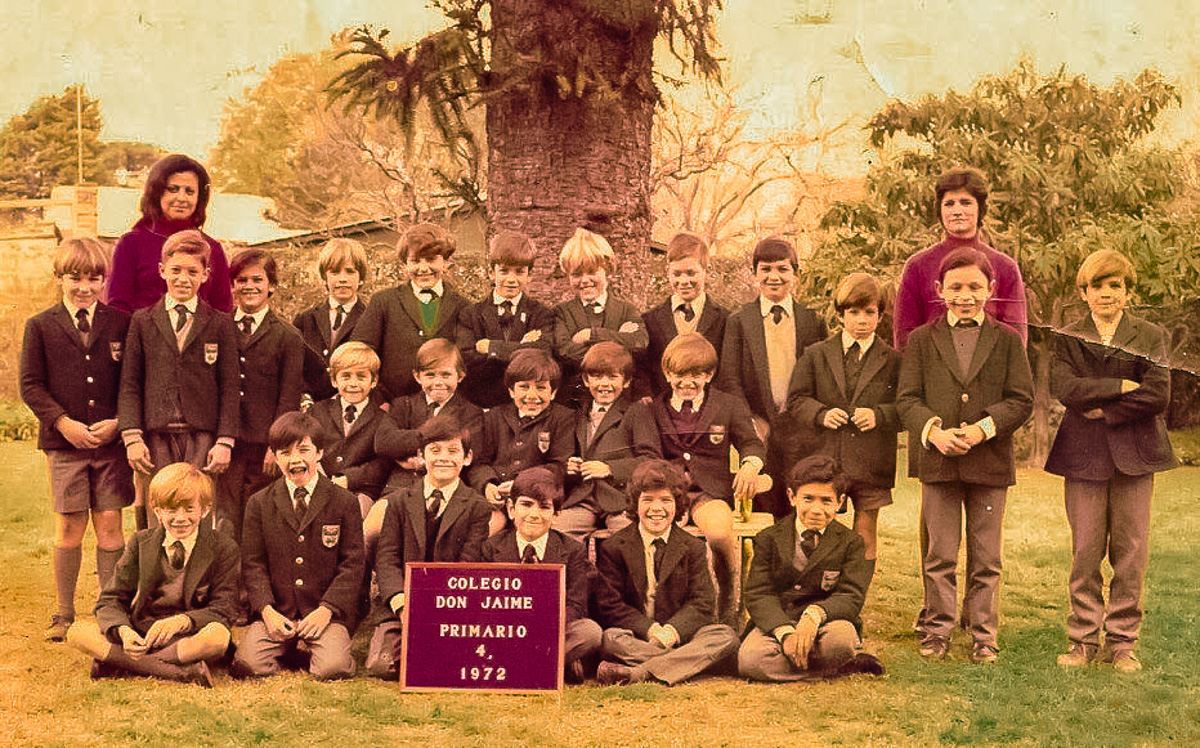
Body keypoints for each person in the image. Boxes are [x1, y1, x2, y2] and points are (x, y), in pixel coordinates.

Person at [896, 247, 1033, 664]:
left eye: (975, 287)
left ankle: (983, 634)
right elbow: (907, 399)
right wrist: (933, 431)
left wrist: (983, 428)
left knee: (987, 556)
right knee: (940, 553)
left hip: (988, 462)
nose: (965, 295)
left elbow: (1021, 399)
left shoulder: (1008, 340)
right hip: (939, 461)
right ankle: (937, 631)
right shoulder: (920, 340)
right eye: (955, 287)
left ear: (991, 289)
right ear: (939, 290)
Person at [1045, 249, 1175, 673]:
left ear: (1128, 291)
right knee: (1085, 550)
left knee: (1131, 551)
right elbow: (1063, 386)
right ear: (1083, 292)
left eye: (1114, 285)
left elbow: (1158, 393)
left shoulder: (1150, 336)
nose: (1106, 293)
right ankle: (1082, 640)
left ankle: (1122, 643)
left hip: (1136, 455)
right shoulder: (1067, 336)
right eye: (1096, 286)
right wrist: (1118, 383)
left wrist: (1108, 409)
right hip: (1082, 455)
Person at [20, 238, 132, 641]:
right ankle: (64, 613)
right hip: (64, 446)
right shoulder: (41, 325)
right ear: (59, 279)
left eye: (93, 278)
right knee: (69, 527)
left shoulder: (121, 322)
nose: (84, 287)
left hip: (109, 446)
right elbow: (31, 386)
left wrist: (118, 422)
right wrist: (62, 423)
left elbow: (131, 382)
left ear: (104, 280)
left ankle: (109, 608)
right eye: (74, 278)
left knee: (110, 524)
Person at [627, 332, 765, 622]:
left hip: (709, 493)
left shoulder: (728, 405)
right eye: (679, 374)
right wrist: (667, 500)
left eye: (696, 375)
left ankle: (728, 603)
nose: (687, 383)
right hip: (665, 494)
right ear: (666, 372)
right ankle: (662, 613)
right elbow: (649, 456)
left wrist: (751, 465)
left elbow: (751, 443)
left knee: (718, 532)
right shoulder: (652, 407)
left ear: (710, 374)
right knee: (654, 538)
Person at [66, 462, 239, 687]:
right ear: (157, 511)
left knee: (218, 637)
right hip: (142, 632)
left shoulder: (223, 547)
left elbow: (224, 608)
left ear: (205, 510)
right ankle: (178, 672)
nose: (180, 518)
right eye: (171, 509)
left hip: (187, 638)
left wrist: (183, 622)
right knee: (77, 632)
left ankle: (117, 663)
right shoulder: (141, 543)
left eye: (189, 509)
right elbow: (110, 599)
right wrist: (124, 631)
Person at [117, 229, 239, 529]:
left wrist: (224, 441)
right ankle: (156, 575)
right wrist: (132, 436)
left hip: (202, 437)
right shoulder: (142, 321)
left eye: (192, 272)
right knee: (159, 511)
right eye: (176, 270)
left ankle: (197, 576)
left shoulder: (220, 323)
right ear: (161, 271)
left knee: (196, 509)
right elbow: (130, 384)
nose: (183, 279)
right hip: (155, 436)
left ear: (206, 275)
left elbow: (230, 386)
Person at [235, 411, 366, 680]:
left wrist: (327, 610)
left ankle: (321, 647)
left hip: (323, 613)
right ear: (275, 456)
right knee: (250, 667)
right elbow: (253, 564)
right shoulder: (259, 503)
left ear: (319, 452)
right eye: (285, 452)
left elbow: (352, 565)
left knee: (333, 669)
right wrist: (267, 612)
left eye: (304, 450)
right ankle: (292, 650)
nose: (295, 460)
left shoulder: (344, 502)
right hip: (278, 612)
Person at [786, 272, 901, 565]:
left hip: (871, 461)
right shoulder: (816, 355)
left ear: (880, 315)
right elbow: (796, 400)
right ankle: (819, 592)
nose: (861, 320)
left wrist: (879, 415)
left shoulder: (894, 360)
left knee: (865, 532)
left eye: (869, 312)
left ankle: (855, 597)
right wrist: (821, 414)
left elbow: (907, 406)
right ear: (840, 314)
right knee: (819, 527)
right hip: (824, 458)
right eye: (853, 312)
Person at [365, 414, 491, 679]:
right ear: (421, 456)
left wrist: (434, 606)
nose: (443, 458)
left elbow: (468, 563)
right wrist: (401, 603)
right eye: (435, 450)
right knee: (382, 666)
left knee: (448, 664)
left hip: (450, 606)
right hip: (402, 606)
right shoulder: (398, 501)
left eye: (453, 451)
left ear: (467, 458)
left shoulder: (477, 506)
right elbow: (387, 558)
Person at [593, 459, 739, 685]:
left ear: (678, 505)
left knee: (724, 636)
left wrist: (672, 630)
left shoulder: (693, 547)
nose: (656, 508)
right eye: (648, 500)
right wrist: (649, 629)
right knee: (610, 638)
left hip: (680, 637)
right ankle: (687, 665)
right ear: (635, 504)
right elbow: (610, 605)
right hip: (638, 637)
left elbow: (702, 603)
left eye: (665, 500)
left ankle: (640, 673)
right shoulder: (614, 547)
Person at [738, 455, 883, 681]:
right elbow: (759, 593)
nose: (816, 509)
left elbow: (851, 595)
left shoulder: (851, 542)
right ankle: (833, 668)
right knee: (751, 660)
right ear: (792, 497)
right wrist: (785, 634)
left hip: (827, 622)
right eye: (808, 499)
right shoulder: (768, 538)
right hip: (780, 618)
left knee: (840, 644)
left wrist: (815, 615)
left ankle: (818, 660)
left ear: (840, 502)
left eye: (826, 501)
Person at [717, 236, 826, 517]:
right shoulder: (739, 321)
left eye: (782, 269)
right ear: (754, 275)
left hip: (801, 430)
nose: (773, 276)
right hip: (760, 428)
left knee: (799, 501)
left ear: (796, 275)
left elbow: (823, 379)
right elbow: (730, 379)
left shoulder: (811, 321)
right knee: (763, 507)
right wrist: (749, 422)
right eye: (765, 269)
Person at [480, 466, 603, 682]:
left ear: (556, 515)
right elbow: (484, 602)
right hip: (505, 630)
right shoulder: (492, 548)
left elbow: (576, 605)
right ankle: (547, 665)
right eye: (526, 505)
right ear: (511, 509)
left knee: (590, 632)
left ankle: (517, 665)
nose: (534, 515)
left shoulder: (572, 550)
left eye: (544, 507)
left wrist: (540, 625)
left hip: (551, 630)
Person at [218, 247, 304, 541]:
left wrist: (276, 446)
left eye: (258, 280)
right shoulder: (218, 328)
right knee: (226, 518)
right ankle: (228, 581)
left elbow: (289, 396)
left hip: (263, 447)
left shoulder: (288, 336)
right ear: (232, 286)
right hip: (227, 442)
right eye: (241, 280)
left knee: (260, 519)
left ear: (272, 286)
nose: (250, 287)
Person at [892, 166, 1027, 351]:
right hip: (933, 373)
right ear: (939, 210)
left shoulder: (1005, 267)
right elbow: (904, 336)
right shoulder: (917, 267)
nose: (957, 211)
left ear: (981, 209)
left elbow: (1016, 338)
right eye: (949, 204)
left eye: (965, 202)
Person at [353, 223, 470, 400]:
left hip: (445, 406)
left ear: (445, 262)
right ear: (404, 264)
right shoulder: (384, 302)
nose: (423, 269)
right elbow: (361, 353)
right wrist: (378, 401)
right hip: (392, 404)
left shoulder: (463, 307)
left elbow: (468, 360)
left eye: (431, 260)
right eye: (415, 261)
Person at [466, 349, 575, 535]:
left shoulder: (563, 418)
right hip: (496, 499)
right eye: (524, 387)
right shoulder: (494, 417)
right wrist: (487, 485)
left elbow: (559, 466)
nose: (532, 395)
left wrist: (521, 484)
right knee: (485, 528)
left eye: (541, 388)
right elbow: (478, 463)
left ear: (554, 392)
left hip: (538, 499)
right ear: (511, 391)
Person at [107, 153, 232, 314]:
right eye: (173, 189)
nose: (181, 198)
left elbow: (223, 312)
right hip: (141, 337)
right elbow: (118, 308)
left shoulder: (212, 249)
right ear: (157, 193)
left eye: (189, 191)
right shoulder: (131, 244)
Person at [457, 230, 554, 408]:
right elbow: (467, 361)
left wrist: (492, 348)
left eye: (519, 272)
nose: (511, 279)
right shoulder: (470, 314)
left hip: (527, 405)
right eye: (504, 271)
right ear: (491, 273)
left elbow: (543, 353)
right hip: (484, 404)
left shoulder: (541, 314)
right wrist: (523, 348)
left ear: (529, 275)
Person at [552, 227, 648, 407]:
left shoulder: (627, 311)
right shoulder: (562, 313)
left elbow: (639, 342)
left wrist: (592, 335)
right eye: (577, 275)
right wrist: (618, 344)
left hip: (621, 404)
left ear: (608, 271)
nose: (585, 280)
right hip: (574, 403)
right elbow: (564, 351)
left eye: (592, 272)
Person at [374, 338, 483, 496]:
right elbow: (383, 443)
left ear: (460, 376)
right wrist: (431, 437)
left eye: (446, 375)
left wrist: (422, 461)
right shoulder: (403, 405)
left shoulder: (471, 413)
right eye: (430, 375)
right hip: (402, 485)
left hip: (447, 488)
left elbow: (469, 454)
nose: (438, 382)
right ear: (417, 376)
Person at [558, 341, 637, 542]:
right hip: (583, 498)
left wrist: (610, 469)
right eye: (596, 377)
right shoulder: (577, 414)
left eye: (613, 377)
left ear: (626, 381)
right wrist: (570, 466)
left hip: (620, 499)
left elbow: (650, 459)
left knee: (630, 539)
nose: (604, 384)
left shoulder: (636, 413)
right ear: (585, 380)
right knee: (556, 532)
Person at [641, 232, 728, 397]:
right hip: (663, 411)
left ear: (706, 271)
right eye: (677, 274)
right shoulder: (650, 320)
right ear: (668, 273)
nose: (684, 281)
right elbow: (644, 372)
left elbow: (727, 374)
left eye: (691, 273)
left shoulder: (725, 320)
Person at [310, 342, 391, 518]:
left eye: (361, 377)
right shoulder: (318, 411)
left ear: (374, 381)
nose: (353, 384)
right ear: (334, 380)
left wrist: (348, 479)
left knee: (353, 517)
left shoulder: (383, 419)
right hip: (318, 482)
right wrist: (318, 472)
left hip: (359, 490)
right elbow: (307, 444)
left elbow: (381, 463)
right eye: (346, 377)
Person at [294, 238, 370, 403]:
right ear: (324, 277)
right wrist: (303, 396)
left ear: (361, 277)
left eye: (350, 272)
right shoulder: (305, 320)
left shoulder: (371, 318)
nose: (342, 279)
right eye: (335, 272)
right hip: (311, 406)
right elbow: (293, 366)